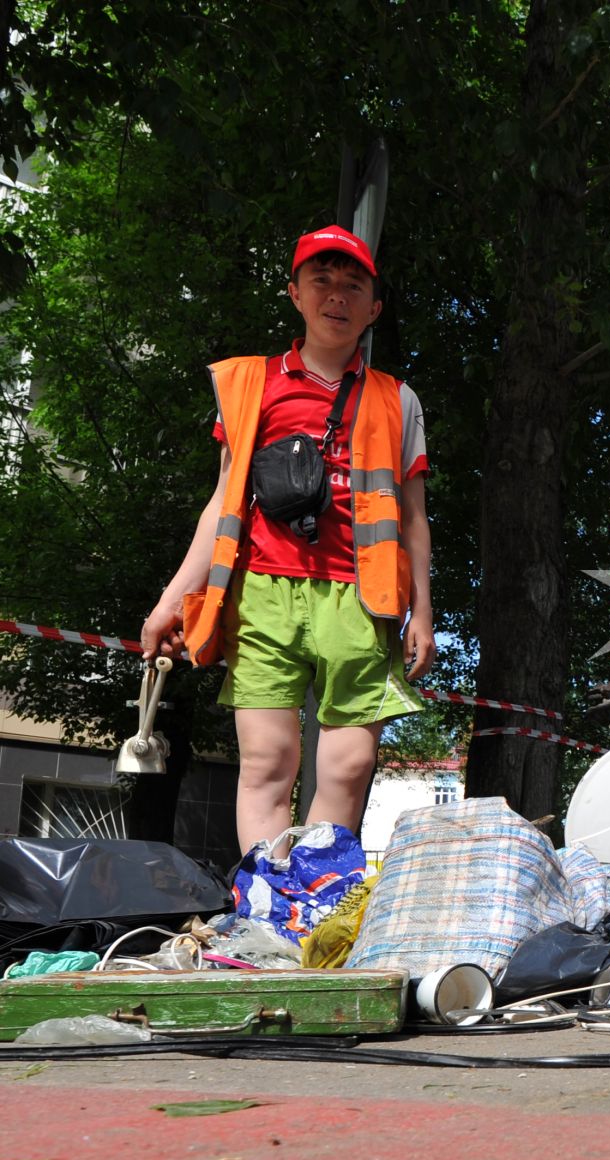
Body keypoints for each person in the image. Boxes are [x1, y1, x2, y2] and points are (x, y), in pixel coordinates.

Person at [141, 225, 434, 858]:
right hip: (262, 595)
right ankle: (268, 911)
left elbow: (414, 517)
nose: (336, 295)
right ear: (295, 294)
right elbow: (220, 502)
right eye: (320, 281)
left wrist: (425, 614)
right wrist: (171, 599)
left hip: (362, 599)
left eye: (353, 284)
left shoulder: (398, 399)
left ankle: (316, 900)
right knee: (267, 761)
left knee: (350, 766)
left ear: (373, 307)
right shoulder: (251, 384)